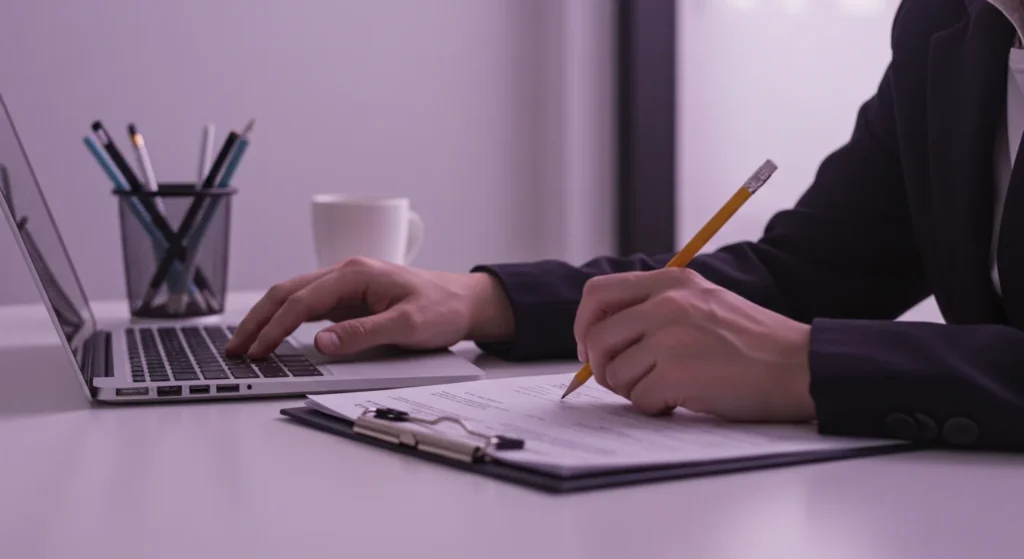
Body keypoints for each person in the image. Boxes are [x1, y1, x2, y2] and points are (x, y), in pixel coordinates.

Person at [227, 0, 1024, 451]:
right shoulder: (946, 29)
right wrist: (483, 301)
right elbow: (805, 271)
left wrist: (804, 363)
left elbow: (792, 325)